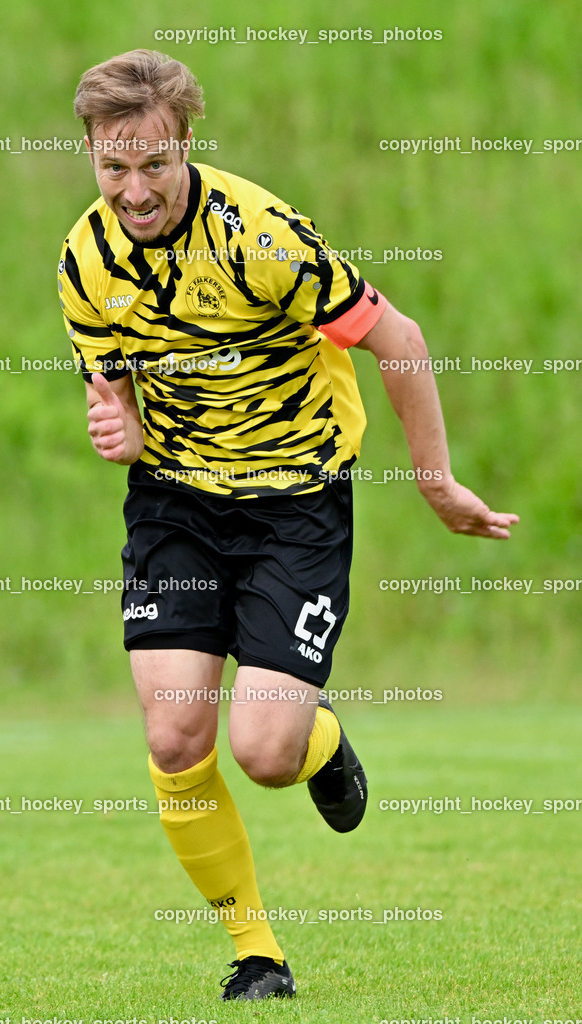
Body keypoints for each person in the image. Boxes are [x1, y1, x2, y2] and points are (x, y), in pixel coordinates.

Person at [58, 49, 518, 1001]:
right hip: (176, 498)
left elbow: (399, 341)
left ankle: (318, 740)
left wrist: (435, 483)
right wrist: (119, 427)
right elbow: (115, 392)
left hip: (294, 501)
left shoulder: (259, 237)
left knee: (264, 752)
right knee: (174, 736)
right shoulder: (84, 260)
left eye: (154, 164)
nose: (134, 190)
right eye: (113, 166)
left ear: (187, 143)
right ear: (91, 154)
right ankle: (257, 956)